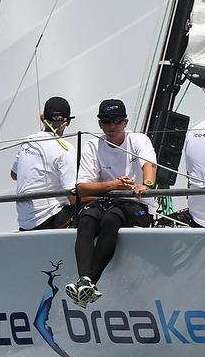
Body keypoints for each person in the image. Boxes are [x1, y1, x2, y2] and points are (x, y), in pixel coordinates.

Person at [65, 99, 157, 308]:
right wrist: (115, 185)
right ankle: (85, 281)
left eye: (117, 121)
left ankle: (89, 281)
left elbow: (149, 166)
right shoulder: (93, 145)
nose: (112, 126)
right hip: (106, 199)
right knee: (86, 219)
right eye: (106, 121)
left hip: (135, 203)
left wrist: (146, 185)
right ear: (100, 124)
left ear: (125, 122)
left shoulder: (138, 140)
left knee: (110, 219)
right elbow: (82, 188)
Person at [10, 96, 77, 231]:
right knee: (94, 210)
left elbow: (13, 175)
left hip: (25, 222)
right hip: (50, 220)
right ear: (68, 122)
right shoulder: (66, 149)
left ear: (42, 118)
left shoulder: (27, 141)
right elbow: (72, 197)